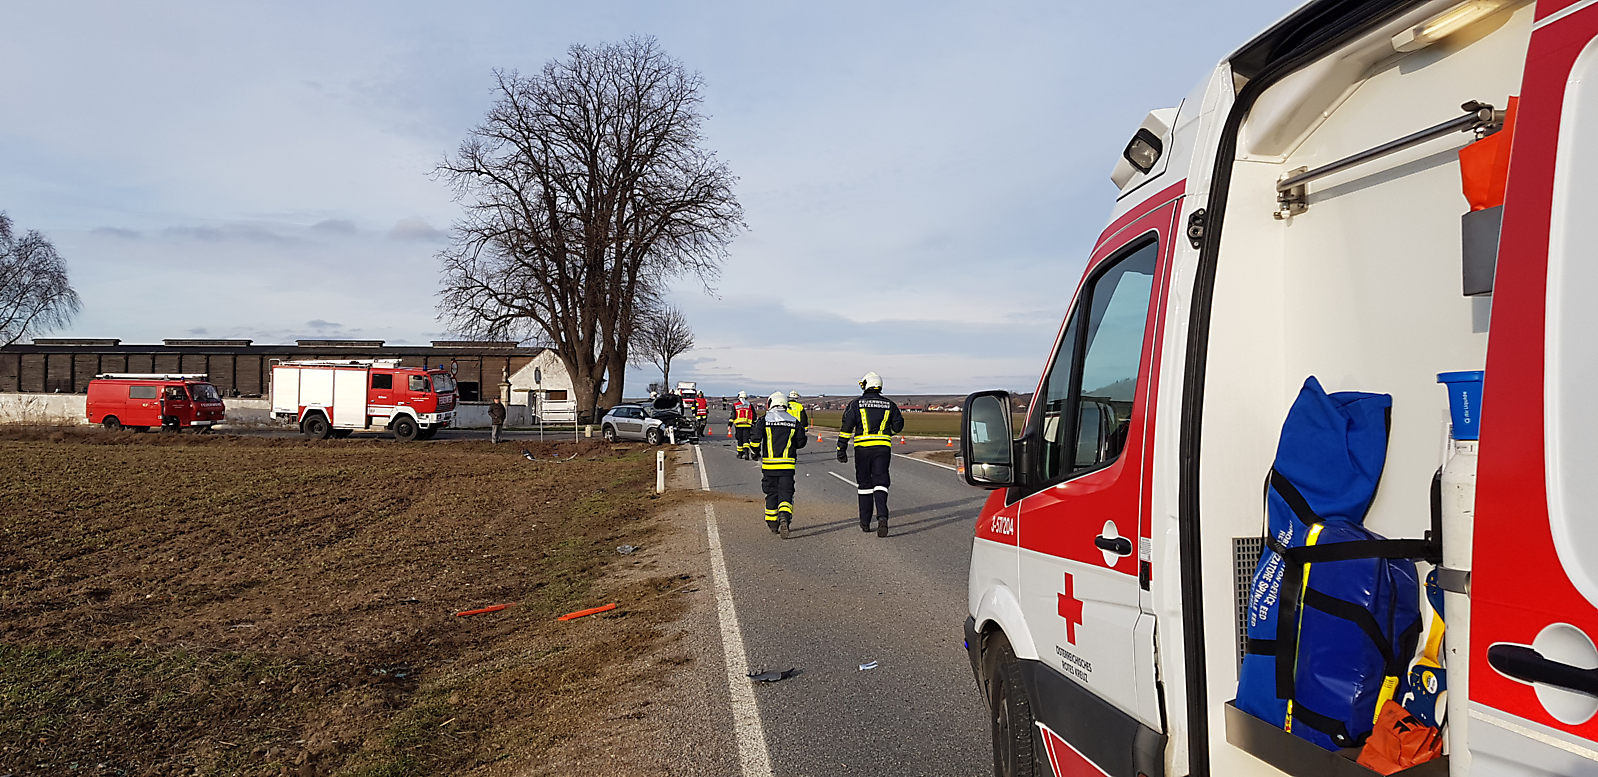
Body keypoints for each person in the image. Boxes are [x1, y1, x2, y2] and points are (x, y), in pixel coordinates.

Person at [837, 372, 904, 537]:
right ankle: (882, 516)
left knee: (865, 485)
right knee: (881, 482)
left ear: (866, 385)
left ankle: (865, 522)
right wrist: (886, 431)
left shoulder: (856, 404)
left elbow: (846, 428)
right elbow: (898, 426)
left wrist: (841, 448)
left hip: (863, 450)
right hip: (882, 449)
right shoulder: (890, 404)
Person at [754, 391, 806, 538]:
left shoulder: (764, 420)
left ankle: (772, 524)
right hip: (787, 467)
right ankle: (784, 516)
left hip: (769, 467)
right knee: (786, 492)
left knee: (771, 493)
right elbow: (801, 442)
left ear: (771, 403)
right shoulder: (794, 421)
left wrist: (754, 453)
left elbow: (755, 439)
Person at [732, 391, 756, 459]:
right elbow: (754, 415)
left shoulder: (735, 405)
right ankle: (746, 453)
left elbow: (733, 415)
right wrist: (754, 423)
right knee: (746, 440)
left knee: (740, 439)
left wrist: (730, 424)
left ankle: (740, 454)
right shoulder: (749, 405)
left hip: (739, 425)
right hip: (747, 425)